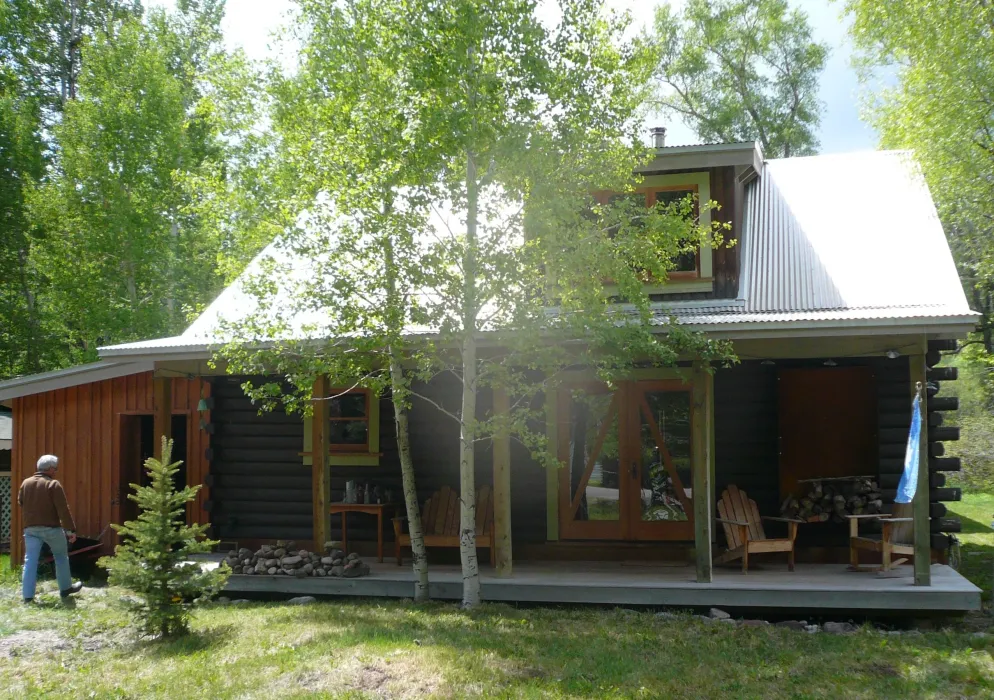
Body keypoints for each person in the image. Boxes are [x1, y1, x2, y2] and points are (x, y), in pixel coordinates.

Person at [18, 454, 83, 603]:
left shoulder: (25, 483)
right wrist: (70, 530)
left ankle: (28, 597)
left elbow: (20, 502)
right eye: (56, 469)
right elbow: (63, 510)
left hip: (31, 529)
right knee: (60, 556)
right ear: (50, 469)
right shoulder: (53, 484)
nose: (56, 472)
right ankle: (65, 589)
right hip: (51, 529)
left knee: (30, 561)